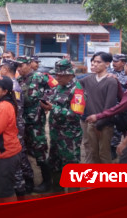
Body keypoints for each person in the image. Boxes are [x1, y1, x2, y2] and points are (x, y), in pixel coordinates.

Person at [86, 56, 127, 163]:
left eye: (98, 62)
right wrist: (118, 82)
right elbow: (125, 98)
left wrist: (98, 116)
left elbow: (121, 106)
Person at [41, 59, 85, 191]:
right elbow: (51, 100)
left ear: (69, 75)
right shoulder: (58, 87)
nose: (57, 77)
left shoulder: (76, 90)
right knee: (55, 165)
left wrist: (53, 108)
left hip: (70, 138)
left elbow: (76, 114)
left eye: (60, 75)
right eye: (56, 74)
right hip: (56, 136)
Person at [16, 56, 58, 193]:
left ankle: (47, 182)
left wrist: (45, 101)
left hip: (36, 121)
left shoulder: (40, 77)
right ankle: (28, 180)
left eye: (21, 65)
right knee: (26, 151)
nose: (19, 68)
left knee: (40, 150)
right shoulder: (19, 80)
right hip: (23, 121)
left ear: (29, 64)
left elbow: (55, 87)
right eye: (18, 66)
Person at [0, 59, 34, 196]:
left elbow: (16, 110)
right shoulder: (12, 84)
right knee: (19, 154)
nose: (0, 70)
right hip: (15, 125)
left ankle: (26, 182)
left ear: (6, 70)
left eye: (2, 67)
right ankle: (25, 180)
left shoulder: (13, 87)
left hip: (15, 126)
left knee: (19, 155)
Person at [79, 52, 118, 164]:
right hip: (91, 122)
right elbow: (72, 83)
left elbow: (109, 105)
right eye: (94, 61)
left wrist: (100, 124)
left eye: (98, 62)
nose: (95, 64)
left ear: (107, 64)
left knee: (104, 154)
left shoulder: (111, 81)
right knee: (93, 153)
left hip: (104, 124)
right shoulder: (88, 79)